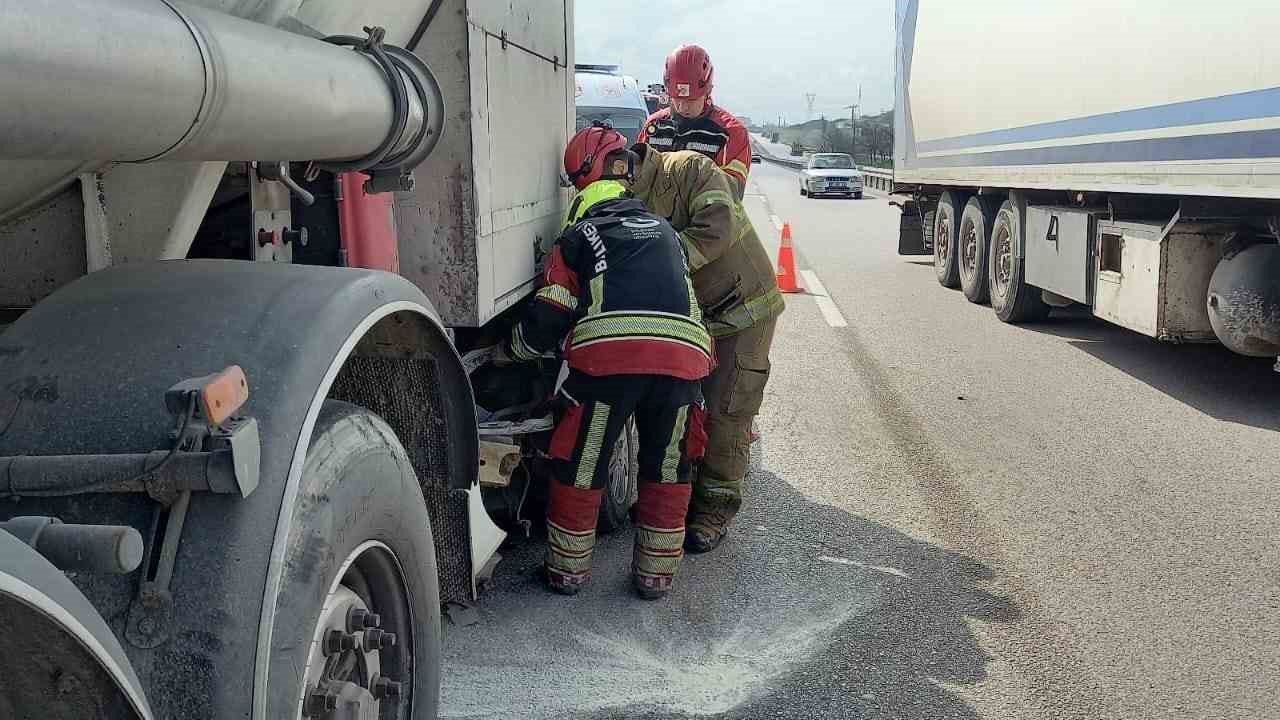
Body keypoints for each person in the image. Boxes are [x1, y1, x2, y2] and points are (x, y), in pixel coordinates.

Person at [494, 125, 713, 599]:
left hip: (608, 365)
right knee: (668, 465)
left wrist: (509, 352)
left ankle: (567, 572)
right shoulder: (668, 233)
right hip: (683, 363)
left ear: (580, 185)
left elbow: (550, 314)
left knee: (583, 461)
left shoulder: (579, 235)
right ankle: (655, 577)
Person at [624, 141, 783, 554]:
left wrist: (657, 262)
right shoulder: (625, 195)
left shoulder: (690, 169)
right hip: (695, 317)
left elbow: (717, 228)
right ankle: (678, 499)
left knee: (726, 411)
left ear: (627, 165)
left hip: (744, 310)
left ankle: (714, 511)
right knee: (679, 409)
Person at [637, 44, 752, 200]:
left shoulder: (731, 133)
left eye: (691, 100)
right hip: (653, 215)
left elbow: (731, 193)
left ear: (708, 91)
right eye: (677, 99)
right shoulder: (654, 126)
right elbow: (637, 181)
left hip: (705, 214)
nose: (683, 107)